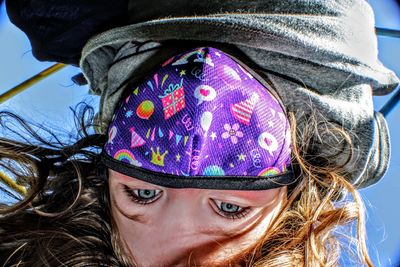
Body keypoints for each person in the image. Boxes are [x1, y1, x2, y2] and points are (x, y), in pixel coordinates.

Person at [1, 0, 399, 266]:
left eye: (143, 194)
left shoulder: (62, 18)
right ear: (289, 208)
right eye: (228, 208)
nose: (188, 163)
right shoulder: (346, 138)